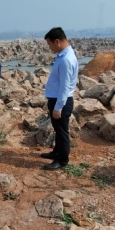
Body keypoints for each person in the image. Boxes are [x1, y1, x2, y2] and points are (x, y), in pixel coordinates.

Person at [41, 27, 79, 170]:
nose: (50, 47)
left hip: (61, 100)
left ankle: (62, 160)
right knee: (58, 129)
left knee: (62, 131)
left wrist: (58, 107)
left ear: (57, 41)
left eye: (50, 44)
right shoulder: (63, 55)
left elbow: (65, 85)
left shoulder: (66, 60)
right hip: (57, 98)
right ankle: (56, 152)